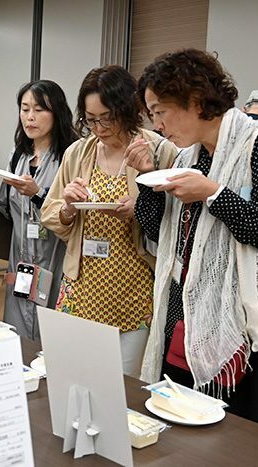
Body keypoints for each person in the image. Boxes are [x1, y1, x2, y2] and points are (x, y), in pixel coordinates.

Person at [128, 49, 258, 426]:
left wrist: (213, 194)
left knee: (230, 433)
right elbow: (163, 237)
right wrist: (147, 181)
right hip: (183, 310)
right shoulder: (187, 157)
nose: (156, 125)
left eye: (159, 110)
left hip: (239, 324)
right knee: (175, 419)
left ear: (193, 99)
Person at [41, 66, 178, 376]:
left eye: (107, 118)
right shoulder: (79, 152)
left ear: (127, 110)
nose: (99, 128)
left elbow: (176, 224)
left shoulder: (158, 150)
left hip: (133, 286)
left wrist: (140, 207)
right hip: (83, 284)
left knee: (123, 388)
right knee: (75, 376)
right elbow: (50, 213)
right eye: (90, 120)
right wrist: (69, 208)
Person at [0, 80, 77, 340]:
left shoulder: (69, 156)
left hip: (55, 255)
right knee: (16, 327)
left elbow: (72, 214)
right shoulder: (18, 156)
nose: (30, 117)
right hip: (20, 255)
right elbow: (6, 205)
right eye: (24, 109)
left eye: (39, 110)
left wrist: (38, 194)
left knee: (51, 328)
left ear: (57, 113)